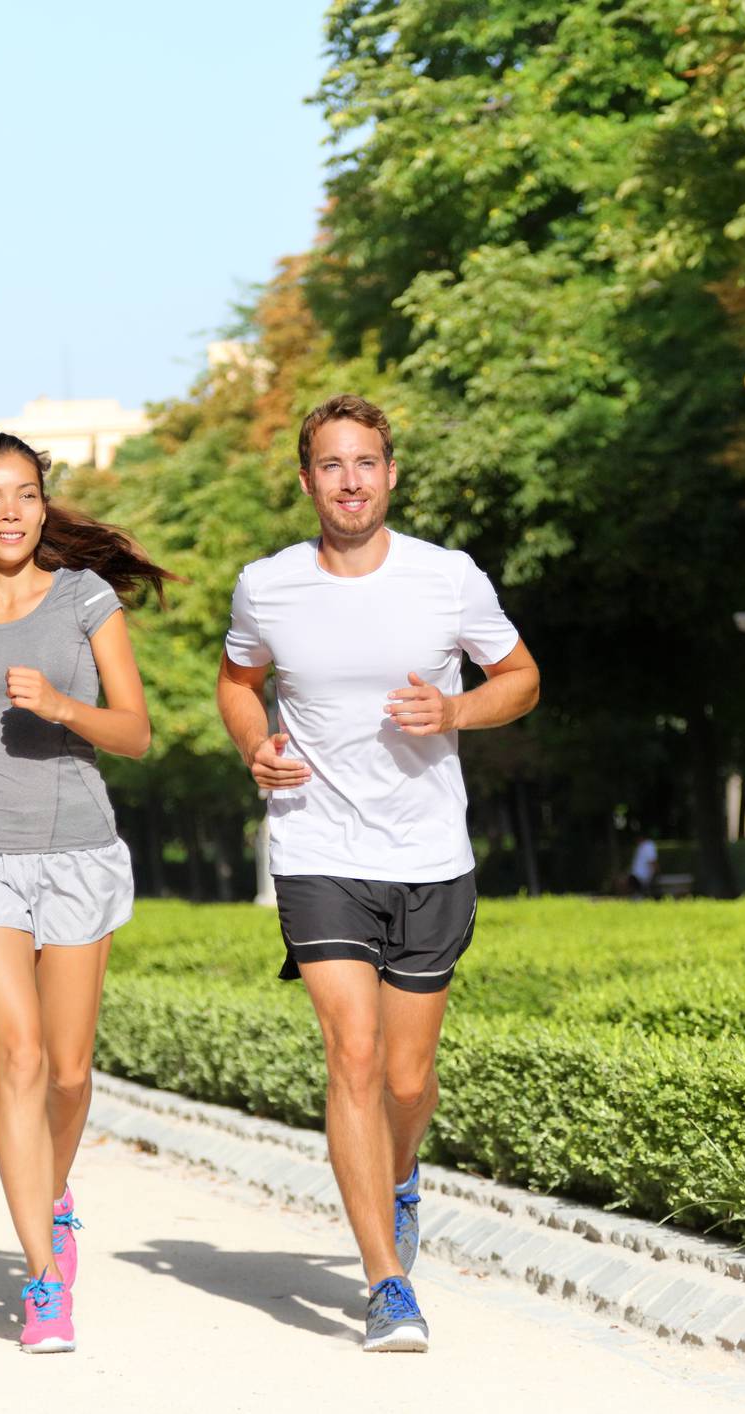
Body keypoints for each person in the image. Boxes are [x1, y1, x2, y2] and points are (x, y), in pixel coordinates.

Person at [216, 394, 541, 1353]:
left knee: (407, 1079)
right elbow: (238, 683)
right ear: (308, 480)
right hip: (317, 847)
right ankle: (385, 1281)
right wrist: (255, 749)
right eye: (331, 465)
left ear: (390, 476)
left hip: (430, 855)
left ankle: (401, 1176)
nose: (350, 481)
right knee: (350, 1054)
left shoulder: (448, 579)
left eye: (366, 464)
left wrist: (455, 713)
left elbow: (520, 678)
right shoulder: (267, 587)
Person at [0, 429, 171, 1355]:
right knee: (15, 1058)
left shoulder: (85, 601)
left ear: (42, 503)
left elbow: (133, 732)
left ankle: (54, 1192)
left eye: (24, 495)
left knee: (67, 1070)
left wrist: (58, 705)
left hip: (77, 850)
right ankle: (43, 1281)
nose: (9, 514)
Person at [629, 832, 658, 899]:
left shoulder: (648, 845)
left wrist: (655, 872)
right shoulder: (643, 846)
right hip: (640, 877)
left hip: (640, 876)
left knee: (639, 895)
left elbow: (652, 861)